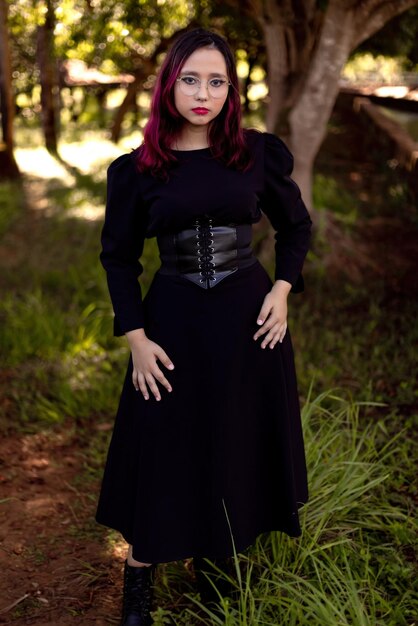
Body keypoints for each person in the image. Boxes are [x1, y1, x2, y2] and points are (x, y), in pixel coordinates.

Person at [96, 27, 312, 626]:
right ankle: (139, 575)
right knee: (165, 440)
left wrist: (283, 290)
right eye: (190, 78)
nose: (203, 92)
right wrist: (136, 338)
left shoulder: (255, 152)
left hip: (247, 323)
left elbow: (296, 228)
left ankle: (215, 564)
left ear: (230, 91)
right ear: (169, 84)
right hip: (172, 323)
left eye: (217, 81)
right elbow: (118, 258)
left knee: (231, 438)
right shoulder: (138, 169)